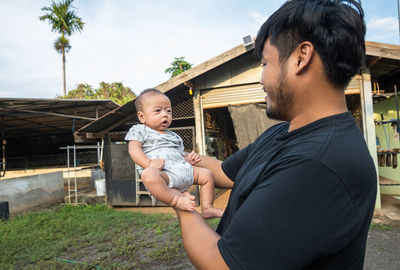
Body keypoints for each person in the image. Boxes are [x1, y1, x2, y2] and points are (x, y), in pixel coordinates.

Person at [172, 0, 377, 269]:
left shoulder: (318, 165)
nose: (261, 78)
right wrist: (171, 159)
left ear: (301, 58)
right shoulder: (284, 132)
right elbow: (224, 172)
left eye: (266, 63)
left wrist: (176, 198)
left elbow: (219, 264)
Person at [125, 88, 224, 219]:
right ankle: (177, 199)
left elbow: (179, 154)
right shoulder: (139, 130)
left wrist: (188, 159)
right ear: (142, 117)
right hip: (164, 174)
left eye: (168, 111)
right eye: (157, 111)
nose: (165, 114)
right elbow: (134, 150)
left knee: (207, 174)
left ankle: (207, 208)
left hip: (182, 170)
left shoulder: (174, 136)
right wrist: (149, 163)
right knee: (148, 175)